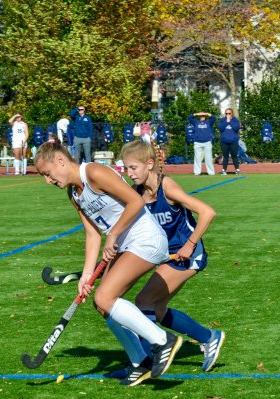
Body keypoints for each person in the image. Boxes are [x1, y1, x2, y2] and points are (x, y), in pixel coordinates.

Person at [34, 140, 184, 382]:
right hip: (126, 245)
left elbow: (135, 202)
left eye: (47, 174)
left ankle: (162, 340)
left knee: (105, 297)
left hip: (146, 239)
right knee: (102, 304)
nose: (48, 181)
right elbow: (92, 234)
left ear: (60, 161)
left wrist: (113, 234)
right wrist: (86, 275)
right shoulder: (74, 193)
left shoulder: (94, 172)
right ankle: (140, 361)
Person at [106, 139, 225, 386]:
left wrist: (189, 245)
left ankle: (144, 361)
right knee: (156, 311)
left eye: (133, 168)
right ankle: (209, 337)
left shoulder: (166, 186)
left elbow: (207, 212)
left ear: (150, 164)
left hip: (187, 255)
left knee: (143, 302)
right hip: (164, 255)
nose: (129, 174)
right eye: (126, 169)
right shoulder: (137, 194)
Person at [188, 111, 216, 176]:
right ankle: (197, 172)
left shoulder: (208, 122)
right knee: (197, 158)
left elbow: (214, 118)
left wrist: (207, 114)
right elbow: (189, 118)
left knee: (208, 158)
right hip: (198, 143)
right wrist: (196, 114)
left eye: (203, 116)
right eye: (201, 116)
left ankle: (211, 172)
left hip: (207, 142)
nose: (202, 116)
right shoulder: (196, 122)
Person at [218, 108, 241, 175]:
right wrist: (226, 121)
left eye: (229, 113)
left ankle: (237, 169)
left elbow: (236, 128)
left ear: (232, 114)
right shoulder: (222, 120)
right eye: (226, 113)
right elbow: (221, 128)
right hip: (224, 141)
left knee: (234, 156)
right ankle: (224, 170)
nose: (228, 115)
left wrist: (230, 121)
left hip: (233, 141)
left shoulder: (235, 120)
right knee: (225, 156)